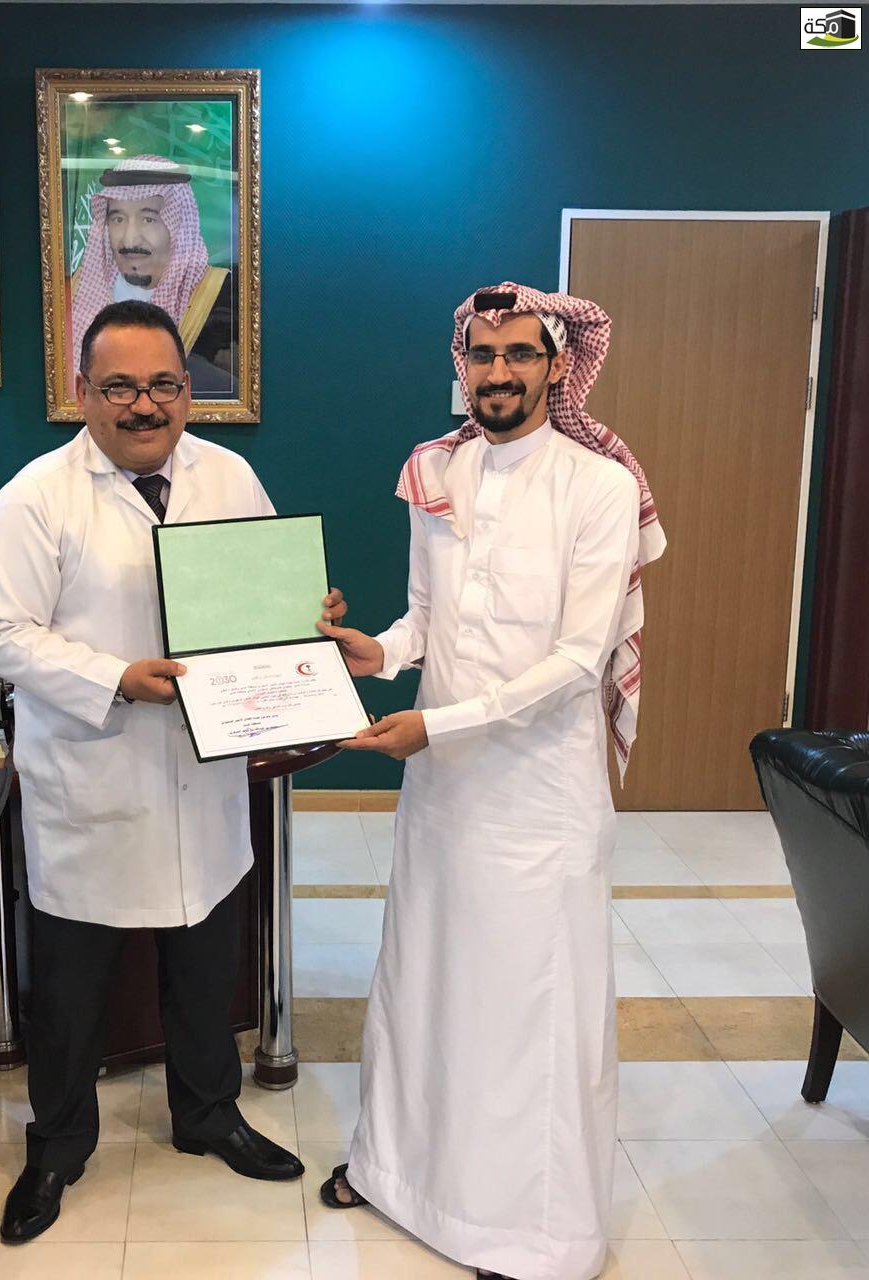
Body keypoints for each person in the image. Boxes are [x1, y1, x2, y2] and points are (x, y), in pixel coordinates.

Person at [0, 299, 344, 1244]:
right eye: (121, 387)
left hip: (203, 773)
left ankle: (208, 1113)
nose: (145, 405)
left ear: (188, 389)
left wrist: (305, 613)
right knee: (70, 991)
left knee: (206, 963)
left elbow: (262, 597)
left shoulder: (229, 475)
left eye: (164, 384)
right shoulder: (37, 496)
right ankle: (58, 1145)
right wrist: (115, 679)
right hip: (94, 777)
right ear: (83, 392)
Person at [316, 283, 666, 1280]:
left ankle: (528, 1234)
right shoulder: (436, 468)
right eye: (483, 353)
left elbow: (577, 662)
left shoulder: (598, 487)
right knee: (424, 980)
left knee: (525, 1011)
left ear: (557, 366)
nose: (499, 371)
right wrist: (376, 651)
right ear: (461, 363)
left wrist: (436, 725)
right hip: (444, 793)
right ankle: (396, 1174)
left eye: (520, 354)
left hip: (538, 798)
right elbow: (426, 620)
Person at [70, 154, 235, 396]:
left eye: (148, 219)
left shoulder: (220, 293)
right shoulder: (76, 289)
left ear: (177, 225)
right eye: (117, 219)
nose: (130, 239)